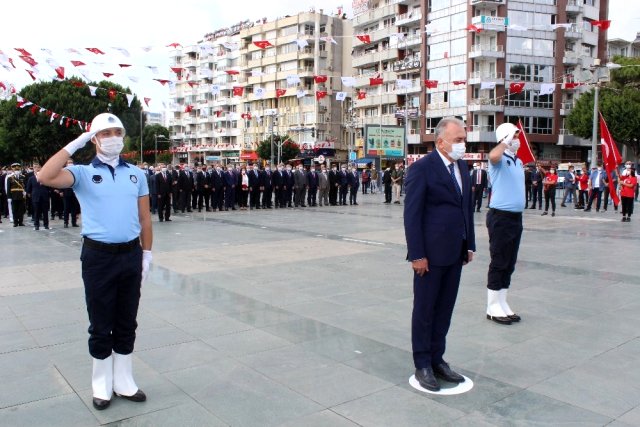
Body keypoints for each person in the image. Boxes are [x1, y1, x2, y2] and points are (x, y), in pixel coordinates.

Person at [38, 112, 153, 410]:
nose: (113, 138)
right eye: (105, 133)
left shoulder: (136, 174)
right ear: (95, 139)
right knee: (101, 323)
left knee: (127, 320)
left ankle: (124, 379)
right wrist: (76, 143)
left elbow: (144, 218)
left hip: (130, 254)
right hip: (98, 256)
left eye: (117, 132)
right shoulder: (83, 173)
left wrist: (147, 253)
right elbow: (46, 176)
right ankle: (101, 383)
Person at [404, 116, 475, 392]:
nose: (462, 145)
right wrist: (417, 254)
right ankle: (422, 362)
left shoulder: (463, 167)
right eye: (458, 140)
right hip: (429, 257)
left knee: (445, 309)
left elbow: (465, 208)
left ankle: (437, 359)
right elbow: (412, 215)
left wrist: (469, 244)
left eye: (463, 139)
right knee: (424, 310)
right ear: (441, 141)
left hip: (455, 252)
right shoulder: (422, 168)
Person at [486, 122, 526, 325]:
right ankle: (492, 305)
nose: (517, 140)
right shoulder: (499, 159)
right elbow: (492, 156)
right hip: (500, 217)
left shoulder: (517, 161)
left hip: (515, 218)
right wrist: (505, 140)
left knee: (509, 263)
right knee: (499, 261)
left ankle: (502, 301)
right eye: (514, 137)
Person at [25, 164, 51, 230]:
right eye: (35, 167)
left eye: (39, 167)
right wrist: (29, 194)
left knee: (45, 211)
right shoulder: (31, 178)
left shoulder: (45, 177)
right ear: (33, 169)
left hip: (44, 196)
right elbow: (28, 188)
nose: (37, 169)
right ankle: (36, 225)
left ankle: (46, 225)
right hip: (36, 196)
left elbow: (49, 187)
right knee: (36, 211)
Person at [7, 163, 26, 227]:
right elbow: (8, 188)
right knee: (14, 210)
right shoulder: (9, 178)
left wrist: (25, 192)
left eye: (18, 170)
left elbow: (24, 186)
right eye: (15, 170)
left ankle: (20, 222)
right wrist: (9, 197)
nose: (17, 171)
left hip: (21, 195)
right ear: (13, 170)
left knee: (21, 209)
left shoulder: (23, 177)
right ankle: (15, 222)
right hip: (13, 195)